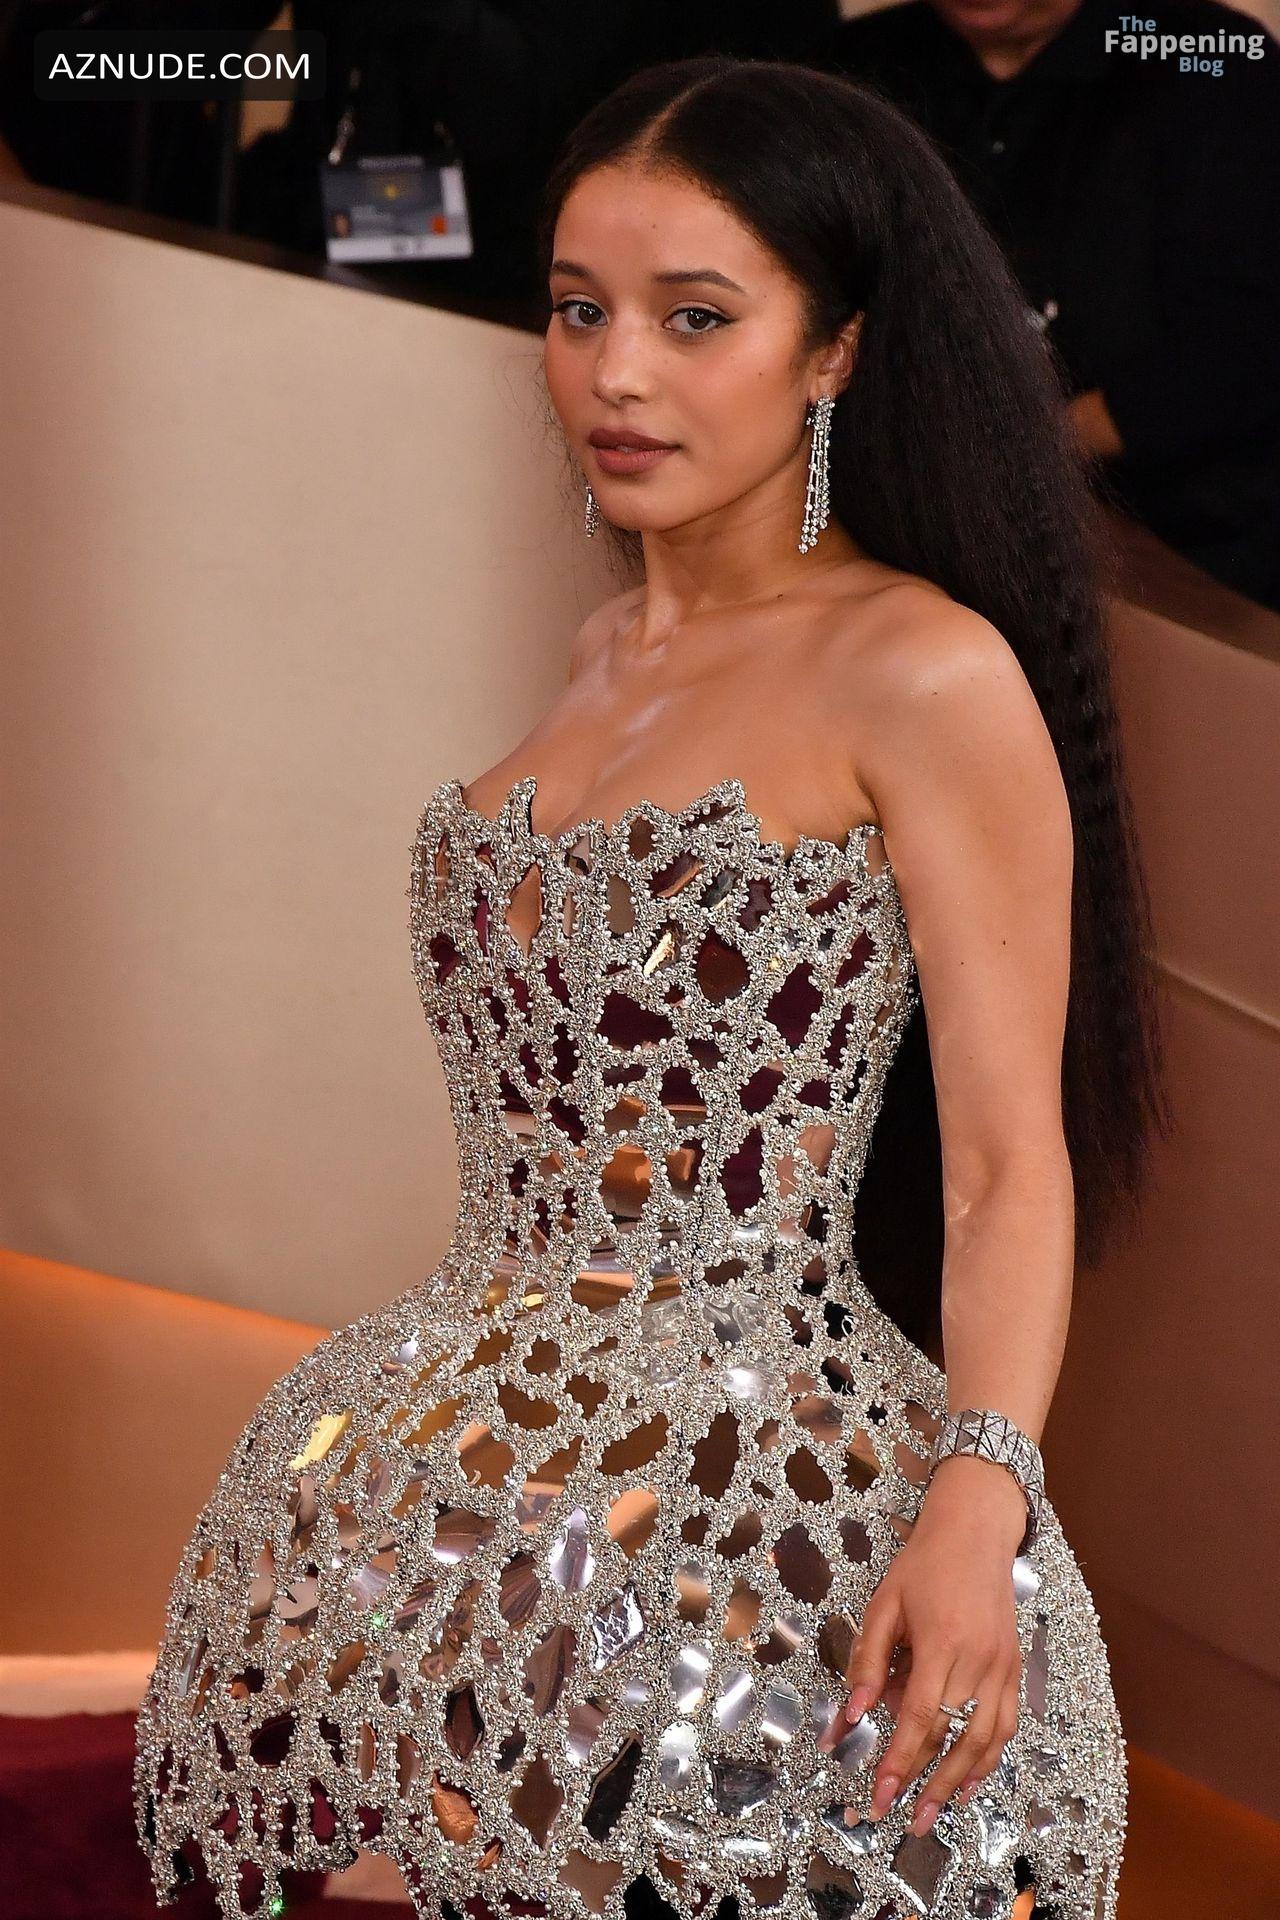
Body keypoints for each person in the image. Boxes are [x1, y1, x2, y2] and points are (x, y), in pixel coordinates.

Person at [133, 56, 1167, 1920]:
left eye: (696, 320)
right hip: (491, 1488)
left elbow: (1013, 1165)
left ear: (835, 352)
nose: (618, 374)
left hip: (774, 1508)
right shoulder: (602, 650)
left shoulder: (920, 671)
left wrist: (981, 1493)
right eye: (577, 311)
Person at [818, 0, 1280, 613]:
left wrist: (1010, 451)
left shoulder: (1206, 52)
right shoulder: (861, 59)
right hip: (911, 524)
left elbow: (1243, 345)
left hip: (1185, 544)